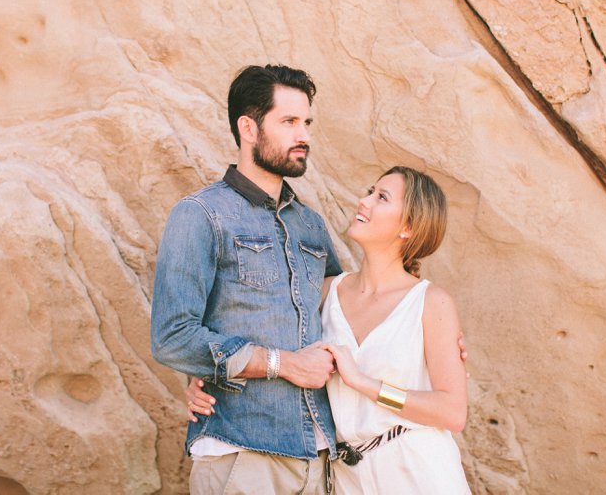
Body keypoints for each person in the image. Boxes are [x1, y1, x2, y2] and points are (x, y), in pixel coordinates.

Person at [188, 166, 471, 494]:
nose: (363, 202)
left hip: (417, 468)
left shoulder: (430, 302)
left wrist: (364, 383)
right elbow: (246, 328)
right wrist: (203, 377)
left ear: (408, 226)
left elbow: (452, 412)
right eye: (369, 191)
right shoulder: (323, 293)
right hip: (347, 476)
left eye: (381, 197)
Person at [151, 64, 343, 494]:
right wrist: (281, 364)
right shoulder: (200, 215)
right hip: (241, 452)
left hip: (321, 454)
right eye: (289, 121)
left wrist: (426, 324)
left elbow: (347, 306)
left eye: (307, 122)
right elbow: (172, 337)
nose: (304, 135)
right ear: (248, 127)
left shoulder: (311, 225)